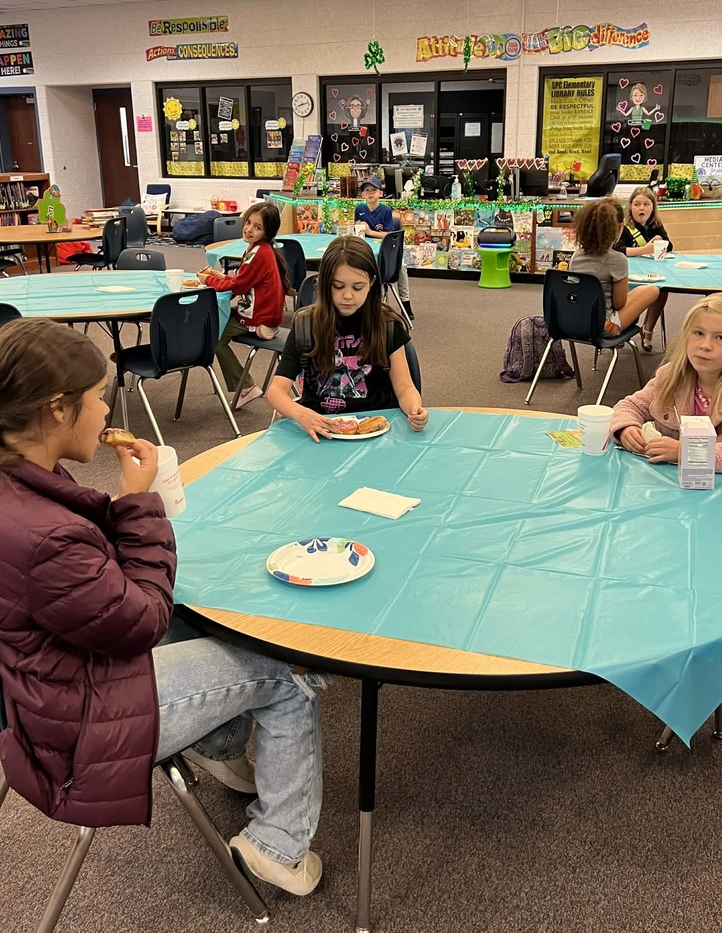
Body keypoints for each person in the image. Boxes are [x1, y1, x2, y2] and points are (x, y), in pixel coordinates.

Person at [0, 320, 325, 896]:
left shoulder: (20, 478)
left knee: (205, 613)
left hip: (43, 683)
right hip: (81, 723)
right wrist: (139, 505)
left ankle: (219, 745)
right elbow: (141, 618)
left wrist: (122, 510)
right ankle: (279, 844)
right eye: (98, 398)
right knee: (287, 668)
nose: (106, 411)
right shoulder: (40, 535)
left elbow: (85, 575)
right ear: (55, 410)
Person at [267, 236, 428, 442]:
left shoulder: (387, 325)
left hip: (375, 432)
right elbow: (276, 391)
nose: (348, 296)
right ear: (325, 284)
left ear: (371, 283)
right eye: (338, 286)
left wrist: (415, 408)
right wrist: (301, 414)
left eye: (357, 287)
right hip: (321, 430)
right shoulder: (305, 324)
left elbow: (404, 386)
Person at [610, 292, 722, 478]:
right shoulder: (672, 375)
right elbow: (630, 406)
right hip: (671, 485)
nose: (706, 345)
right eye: (698, 333)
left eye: (721, 337)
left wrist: (688, 453)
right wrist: (625, 428)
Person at [198, 202, 291, 410]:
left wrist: (208, 281)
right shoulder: (259, 249)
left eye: (257, 227)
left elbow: (238, 287)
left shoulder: (259, 253)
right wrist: (219, 276)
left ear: (267, 233)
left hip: (258, 316)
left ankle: (246, 386)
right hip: (260, 310)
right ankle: (243, 383)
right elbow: (243, 281)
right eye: (248, 222)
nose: (249, 229)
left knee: (217, 339)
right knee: (218, 317)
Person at [568, 196, 660, 337]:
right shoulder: (617, 260)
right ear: (617, 229)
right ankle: (646, 331)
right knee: (652, 290)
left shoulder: (576, 256)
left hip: (574, 321)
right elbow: (619, 303)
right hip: (604, 327)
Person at [615, 186, 672, 352]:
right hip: (629, 274)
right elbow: (618, 250)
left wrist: (661, 241)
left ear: (653, 207)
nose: (641, 208)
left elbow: (670, 245)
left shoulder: (656, 225)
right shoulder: (625, 227)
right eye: (637, 204)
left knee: (662, 289)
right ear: (630, 207)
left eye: (646, 204)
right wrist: (644, 250)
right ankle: (622, 328)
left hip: (651, 271)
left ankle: (648, 330)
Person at [354, 177, 415, 321]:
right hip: (366, 249)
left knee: (401, 266)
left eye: (374, 190)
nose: (370, 193)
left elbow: (388, 234)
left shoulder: (386, 211)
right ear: (362, 195)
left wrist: (370, 232)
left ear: (380, 193)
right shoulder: (359, 209)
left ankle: (405, 303)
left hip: (384, 250)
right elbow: (357, 228)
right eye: (366, 190)